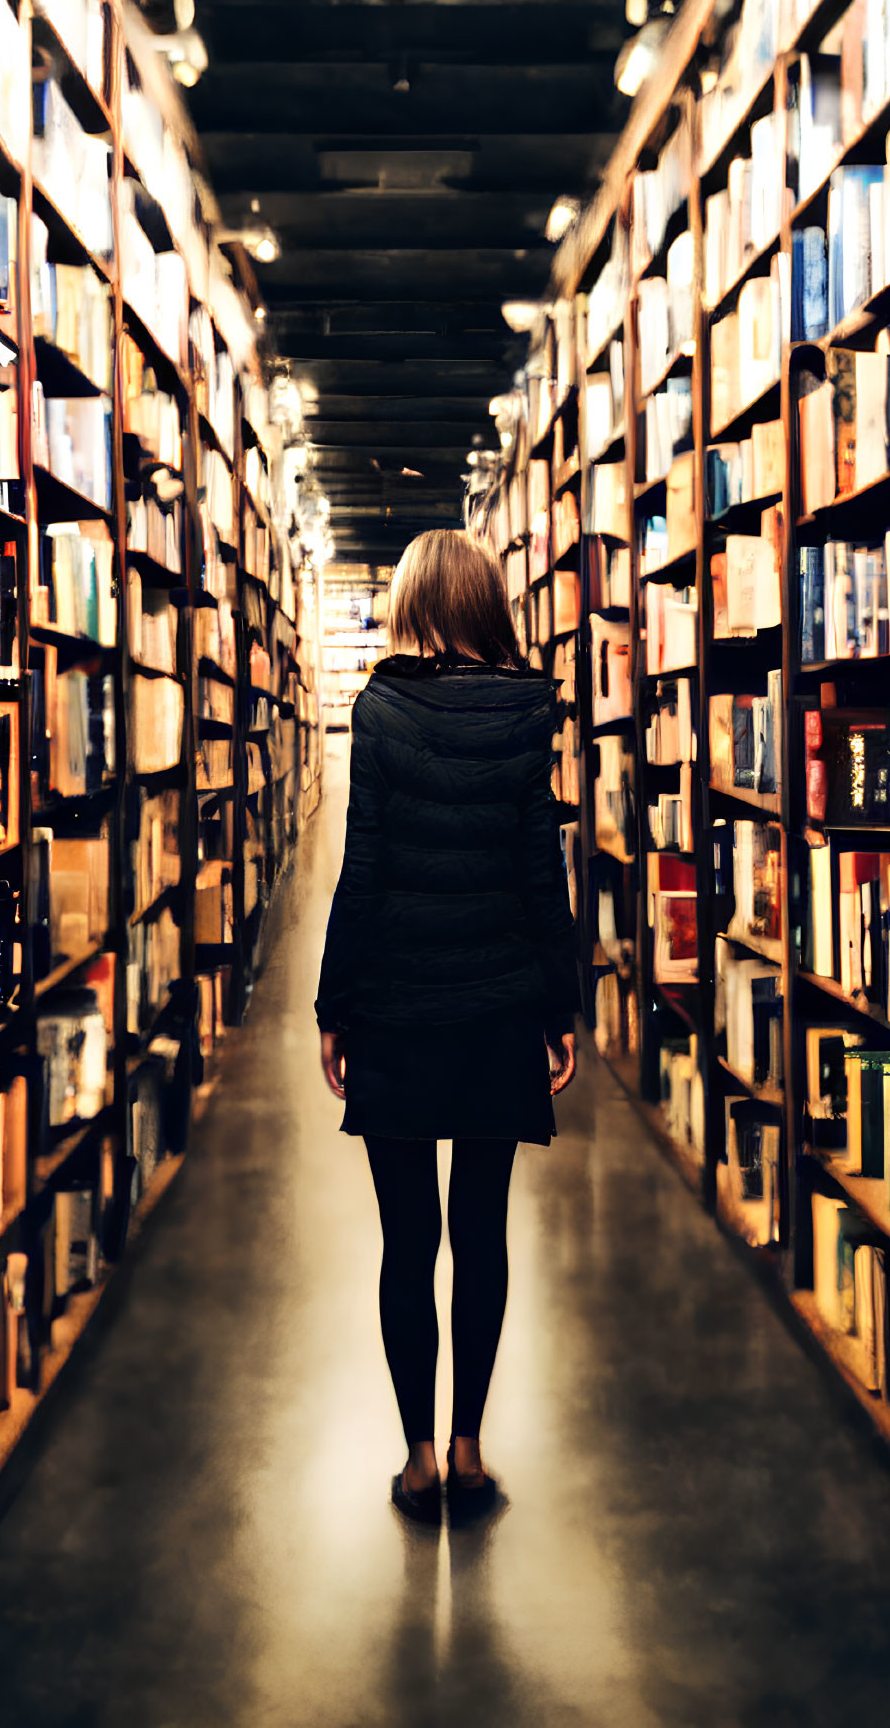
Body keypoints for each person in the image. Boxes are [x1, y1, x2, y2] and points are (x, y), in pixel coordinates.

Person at [315, 528, 579, 1527]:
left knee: (405, 1240)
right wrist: (558, 1007)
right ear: (485, 605)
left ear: (415, 605)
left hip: (395, 1007)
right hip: (497, 1006)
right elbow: (537, 873)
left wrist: (335, 1008)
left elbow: (363, 870)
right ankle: (471, 1444)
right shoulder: (528, 708)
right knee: (481, 1233)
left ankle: (416, 1456)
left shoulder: (377, 708)